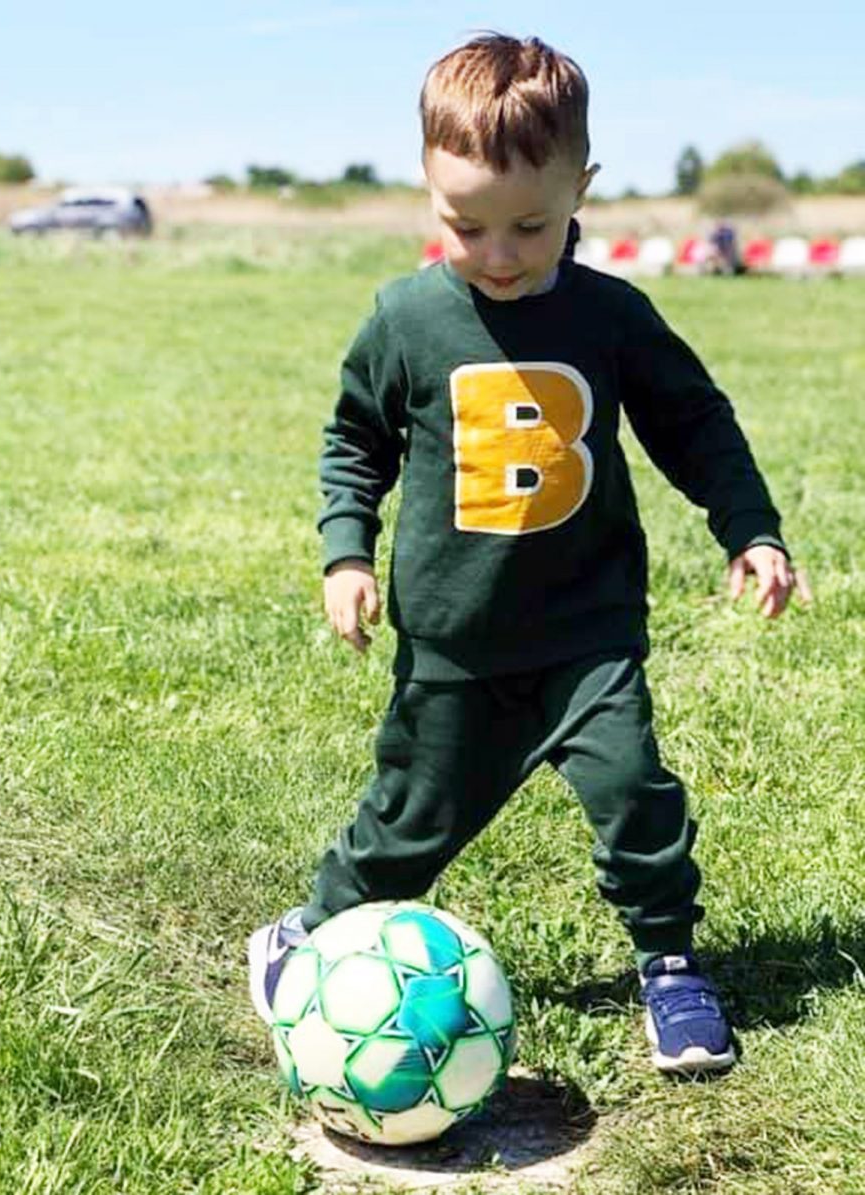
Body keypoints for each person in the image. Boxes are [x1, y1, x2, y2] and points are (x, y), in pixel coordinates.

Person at [247, 33, 810, 1076]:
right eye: (467, 226)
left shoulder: (610, 316)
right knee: (407, 826)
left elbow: (696, 422)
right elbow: (353, 440)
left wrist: (752, 528)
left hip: (587, 632)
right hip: (458, 641)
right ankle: (310, 932)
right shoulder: (407, 318)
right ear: (428, 189)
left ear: (582, 187)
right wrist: (345, 553)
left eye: (532, 226)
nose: (500, 254)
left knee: (637, 795)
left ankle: (671, 966)